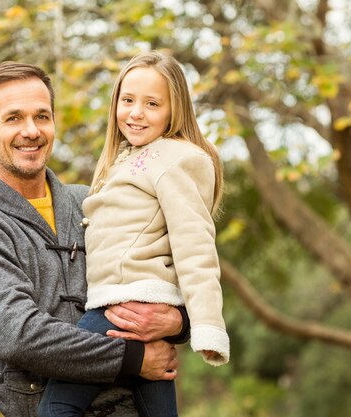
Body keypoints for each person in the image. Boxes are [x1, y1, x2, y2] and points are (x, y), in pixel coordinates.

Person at [0, 61, 190, 417]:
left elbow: (166, 269)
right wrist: (132, 357)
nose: (31, 131)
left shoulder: (91, 199)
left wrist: (178, 321)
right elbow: (19, 334)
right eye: (14, 118)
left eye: (42, 116)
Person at [38, 51, 230, 417]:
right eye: (127, 100)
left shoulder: (175, 159)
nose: (135, 112)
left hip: (123, 306)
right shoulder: (126, 158)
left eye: (152, 104)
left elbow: (195, 246)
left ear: (174, 111)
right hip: (133, 306)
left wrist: (207, 326)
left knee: (56, 408)